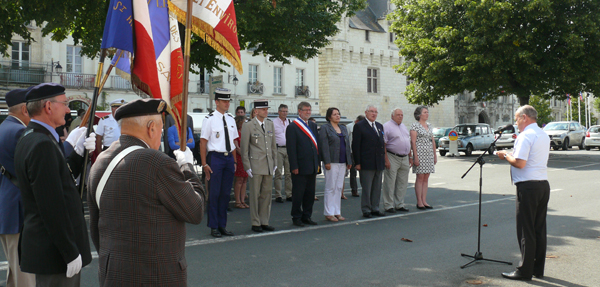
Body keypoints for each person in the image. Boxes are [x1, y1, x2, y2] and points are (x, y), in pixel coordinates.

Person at [88, 98, 206, 286]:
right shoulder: (157, 162)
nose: (160, 135)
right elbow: (195, 210)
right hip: (156, 276)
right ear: (151, 127)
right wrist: (187, 166)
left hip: (113, 275)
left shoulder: (101, 161)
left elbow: (95, 228)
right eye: (160, 129)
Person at [14, 83, 96, 286]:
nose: (68, 109)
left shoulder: (34, 137)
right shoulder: (43, 144)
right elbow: (51, 206)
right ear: (49, 107)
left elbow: (60, 178)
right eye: (65, 103)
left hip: (51, 247)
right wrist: (69, 252)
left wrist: (78, 154)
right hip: (55, 252)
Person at [497, 105, 550, 281]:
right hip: (542, 184)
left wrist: (505, 155)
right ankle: (537, 268)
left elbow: (520, 163)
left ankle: (524, 270)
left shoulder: (525, 135)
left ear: (525, 117)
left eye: (517, 118)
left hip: (528, 186)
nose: (516, 122)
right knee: (538, 228)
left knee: (525, 230)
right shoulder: (543, 134)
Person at [0, 88, 36, 287]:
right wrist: (70, 149)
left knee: (15, 271)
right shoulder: (19, 131)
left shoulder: (5, 127)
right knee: (25, 274)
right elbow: (33, 169)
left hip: (8, 207)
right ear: (25, 108)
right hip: (18, 210)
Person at [200, 88, 238, 238]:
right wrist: (204, 164)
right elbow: (203, 143)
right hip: (215, 157)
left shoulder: (230, 118)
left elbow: (233, 142)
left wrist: (234, 161)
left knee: (225, 194)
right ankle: (213, 226)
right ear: (217, 102)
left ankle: (222, 225)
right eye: (224, 101)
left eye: (228, 101)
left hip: (228, 158)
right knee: (214, 193)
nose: (227, 103)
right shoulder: (209, 120)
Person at [240, 100, 277, 232]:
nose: (266, 111)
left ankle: (264, 221)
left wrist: (275, 162)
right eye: (263, 109)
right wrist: (247, 166)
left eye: (266, 109)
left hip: (268, 164)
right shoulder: (249, 126)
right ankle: (256, 222)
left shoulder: (269, 124)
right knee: (255, 195)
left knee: (266, 195)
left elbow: (273, 146)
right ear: (256, 111)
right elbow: (244, 148)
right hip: (255, 164)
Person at [286, 102, 320, 227]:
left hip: (312, 165)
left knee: (310, 193)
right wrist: (294, 166)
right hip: (300, 166)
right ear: (299, 111)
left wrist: (318, 164)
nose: (308, 112)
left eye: (309, 110)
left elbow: (316, 146)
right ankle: (296, 216)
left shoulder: (312, 125)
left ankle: (307, 216)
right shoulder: (293, 127)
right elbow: (291, 149)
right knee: (298, 194)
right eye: (305, 110)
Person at [352, 105, 386, 218]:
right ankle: (366, 209)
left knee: (377, 187)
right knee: (367, 188)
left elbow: (381, 144)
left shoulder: (379, 126)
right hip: (366, 162)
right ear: (366, 112)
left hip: (378, 162)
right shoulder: (360, 126)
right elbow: (356, 146)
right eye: (371, 111)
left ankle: (375, 208)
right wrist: (357, 162)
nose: (374, 114)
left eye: (376, 112)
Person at [319, 107, 352, 222]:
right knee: (331, 187)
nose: (337, 116)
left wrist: (349, 161)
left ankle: (337, 211)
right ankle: (329, 212)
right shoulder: (325, 128)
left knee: (338, 187)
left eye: (338, 114)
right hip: (331, 162)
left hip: (342, 161)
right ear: (329, 117)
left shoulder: (343, 128)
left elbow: (347, 145)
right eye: (334, 114)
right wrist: (326, 161)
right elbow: (324, 146)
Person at [382, 108, 412, 213]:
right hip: (392, 156)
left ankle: (400, 204)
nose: (400, 116)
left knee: (402, 183)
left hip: (404, 157)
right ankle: (389, 205)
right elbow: (383, 144)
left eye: (402, 115)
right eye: (398, 115)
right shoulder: (386, 126)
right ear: (392, 116)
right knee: (390, 182)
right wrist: (386, 160)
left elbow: (408, 142)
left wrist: (410, 156)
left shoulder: (403, 126)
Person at [410, 106, 437, 210]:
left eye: (427, 112)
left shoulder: (429, 126)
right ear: (419, 115)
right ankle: (419, 201)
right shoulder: (415, 126)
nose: (427, 114)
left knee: (426, 178)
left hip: (429, 154)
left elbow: (432, 141)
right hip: (420, 153)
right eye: (425, 112)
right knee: (420, 178)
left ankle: (424, 200)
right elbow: (413, 142)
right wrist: (415, 157)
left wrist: (434, 155)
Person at [273, 104, 292, 203]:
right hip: (278, 149)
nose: (285, 113)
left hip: (288, 149)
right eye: (283, 111)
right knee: (278, 173)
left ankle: (289, 194)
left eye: (286, 111)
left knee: (289, 173)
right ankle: (278, 195)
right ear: (279, 112)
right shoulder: (274, 122)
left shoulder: (289, 122)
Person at [233, 115, 249, 209]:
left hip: (246, 157)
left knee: (245, 180)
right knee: (239, 180)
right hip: (239, 158)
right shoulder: (236, 133)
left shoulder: (245, 132)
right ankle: (237, 201)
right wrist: (244, 155)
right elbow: (236, 147)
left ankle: (243, 200)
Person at [346, 115, 364, 197]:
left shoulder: (362, 127)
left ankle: (364, 188)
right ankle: (354, 190)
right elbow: (346, 140)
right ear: (356, 121)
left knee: (363, 172)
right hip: (352, 152)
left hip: (361, 152)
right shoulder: (349, 127)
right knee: (353, 172)